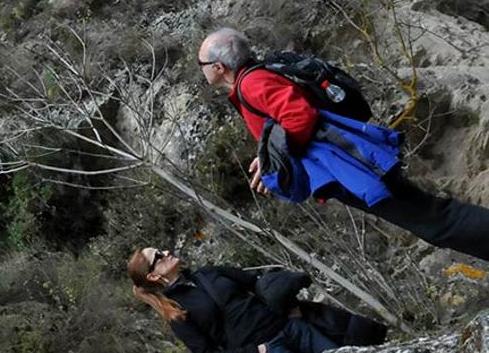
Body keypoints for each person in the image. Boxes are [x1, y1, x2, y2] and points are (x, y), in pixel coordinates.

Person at [197, 27, 489, 262]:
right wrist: (268, 156)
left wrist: (276, 158)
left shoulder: (252, 83)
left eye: (202, 64)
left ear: (219, 67)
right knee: (430, 217)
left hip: (347, 163)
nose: (201, 69)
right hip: (346, 159)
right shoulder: (259, 74)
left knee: (433, 219)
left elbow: (298, 116)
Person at [127, 247, 380, 353]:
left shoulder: (208, 273)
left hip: (291, 327)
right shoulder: (175, 311)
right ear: (152, 277)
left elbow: (259, 284)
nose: (166, 252)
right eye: (158, 257)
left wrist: (290, 306)